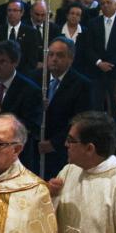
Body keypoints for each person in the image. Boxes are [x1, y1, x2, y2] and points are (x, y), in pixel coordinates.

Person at [0, 41, 41, 171]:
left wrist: (1, 114)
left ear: (15, 62)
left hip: (15, 157)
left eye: (2, 62)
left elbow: (32, 126)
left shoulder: (30, 90)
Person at [40, 38, 94, 179]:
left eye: (59, 55)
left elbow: (80, 120)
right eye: (51, 55)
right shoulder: (36, 78)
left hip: (62, 151)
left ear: (71, 58)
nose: (54, 59)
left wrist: (54, 143)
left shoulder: (82, 86)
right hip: (36, 149)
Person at [80, 0, 116, 115]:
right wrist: (99, 63)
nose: (105, 5)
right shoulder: (93, 23)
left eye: (108, 2)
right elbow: (88, 47)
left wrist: (111, 63)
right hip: (96, 70)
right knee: (96, 104)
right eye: (102, 3)